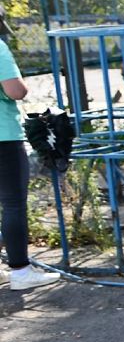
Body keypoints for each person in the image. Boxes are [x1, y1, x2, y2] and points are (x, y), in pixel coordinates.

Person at [0, 33, 60, 291]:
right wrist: (24, 87)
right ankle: (20, 271)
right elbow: (14, 90)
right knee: (13, 203)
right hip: (3, 136)